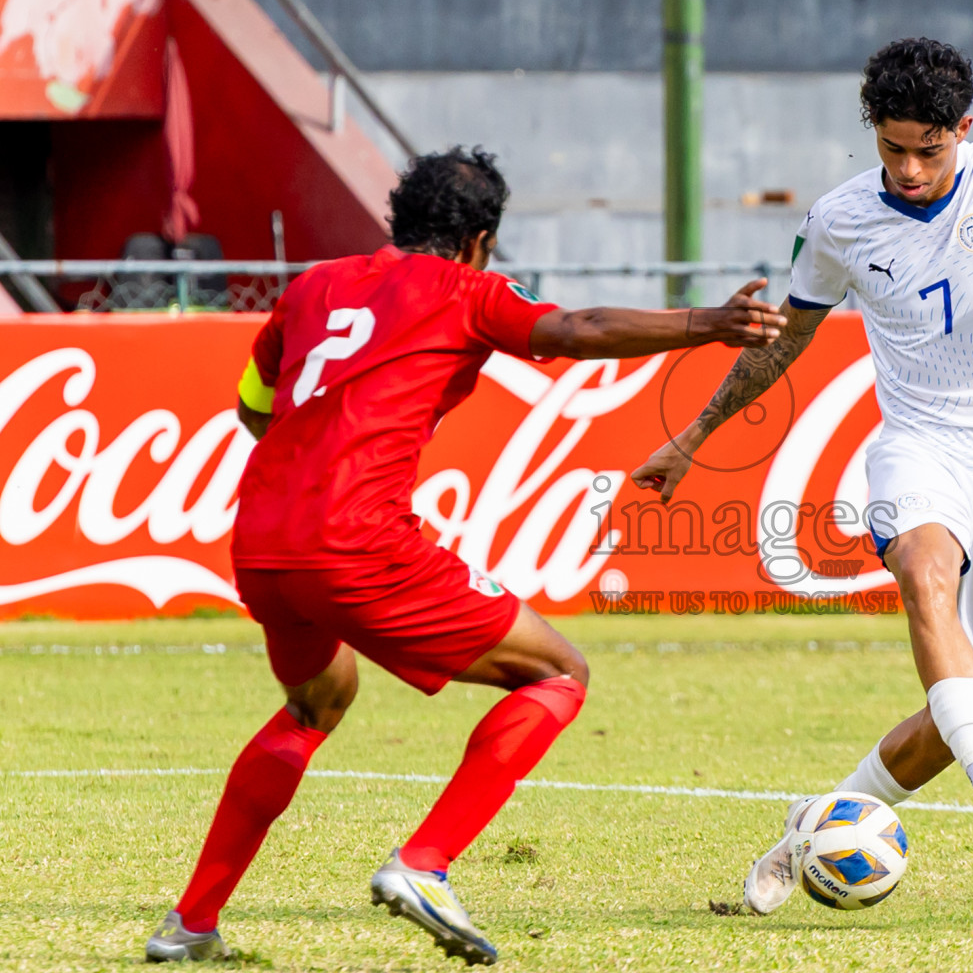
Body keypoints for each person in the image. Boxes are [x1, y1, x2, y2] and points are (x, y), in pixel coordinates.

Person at [145, 147, 785, 964]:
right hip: (358, 541)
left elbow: (251, 407)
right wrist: (708, 325)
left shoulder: (313, 285)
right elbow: (576, 329)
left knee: (316, 701)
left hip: (264, 539)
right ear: (482, 240)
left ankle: (190, 925)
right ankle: (425, 864)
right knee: (558, 674)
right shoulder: (468, 290)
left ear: (398, 222)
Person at [631, 38, 973, 913]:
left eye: (928, 148)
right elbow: (785, 341)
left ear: (963, 131)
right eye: (892, 147)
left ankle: (814, 827)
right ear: (872, 133)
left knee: (952, 720)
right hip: (919, 443)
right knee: (923, 565)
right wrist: (693, 437)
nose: (909, 168)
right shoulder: (839, 220)